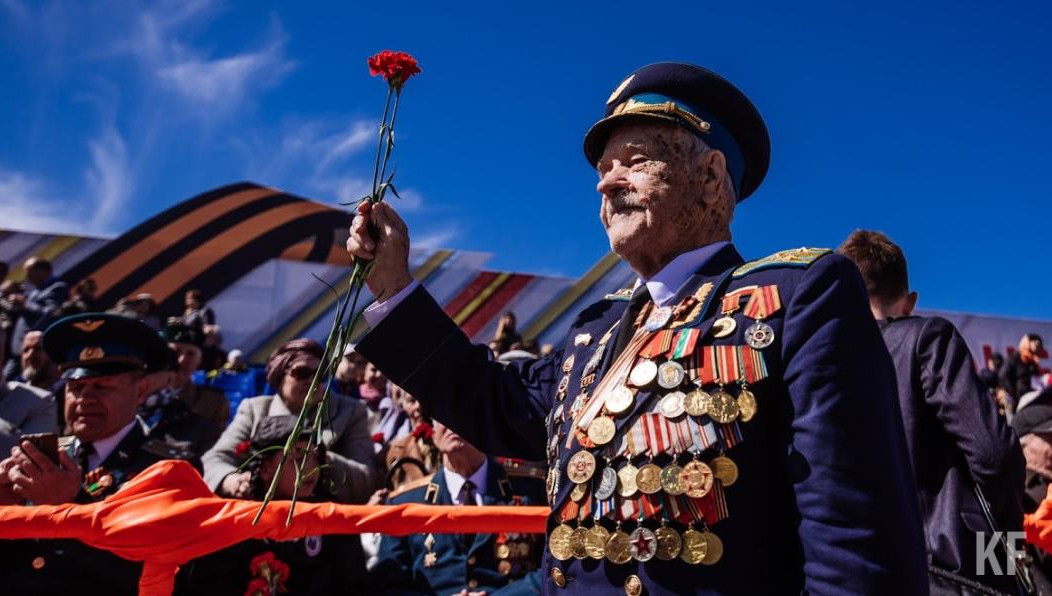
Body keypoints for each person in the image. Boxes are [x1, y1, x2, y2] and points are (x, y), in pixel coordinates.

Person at [347, 62, 927, 593]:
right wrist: (395, 288)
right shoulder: (594, 329)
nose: (605, 183)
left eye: (635, 160)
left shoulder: (797, 295)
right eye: (603, 169)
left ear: (710, 174)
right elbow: (497, 406)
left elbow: (856, 550)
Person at [838, 230, 1025, 593]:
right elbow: (996, 455)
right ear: (910, 301)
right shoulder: (928, 337)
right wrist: (1005, 550)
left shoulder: (818, 362)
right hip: (947, 571)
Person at [0, 312, 185, 593]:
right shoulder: (46, 456)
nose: (85, 398)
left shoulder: (167, 468)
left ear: (140, 391)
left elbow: (156, 572)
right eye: (76, 388)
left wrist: (70, 507)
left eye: (102, 386)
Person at [175, 415, 367, 595]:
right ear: (266, 469)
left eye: (316, 457)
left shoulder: (332, 519)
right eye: (299, 457)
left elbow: (352, 585)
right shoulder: (235, 521)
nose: (311, 468)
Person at [371, 420, 543, 595]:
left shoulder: (531, 490)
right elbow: (390, 583)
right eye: (442, 416)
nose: (451, 422)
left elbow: (552, 569)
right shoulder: (405, 502)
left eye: (460, 412)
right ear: (433, 431)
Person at [202, 338, 378, 503]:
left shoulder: (350, 411)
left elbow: (367, 481)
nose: (312, 380)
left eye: (320, 374)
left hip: (323, 521)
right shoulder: (255, 410)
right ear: (279, 376)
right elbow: (214, 459)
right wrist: (231, 481)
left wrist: (317, 457)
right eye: (302, 373)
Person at [157, 322, 229, 428]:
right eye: (175, 351)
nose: (181, 360)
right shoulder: (139, 392)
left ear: (199, 361)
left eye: (191, 354)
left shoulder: (213, 403)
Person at [0, 327, 57, 454]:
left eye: (38, 349)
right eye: (25, 350)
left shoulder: (41, 401)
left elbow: (32, 460)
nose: (30, 355)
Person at [8, 257, 69, 360]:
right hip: (21, 347)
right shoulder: (34, 292)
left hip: (36, 347)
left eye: (30, 272)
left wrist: (24, 304)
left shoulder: (57, 287)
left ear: (44, 271)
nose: (27, 277)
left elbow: (50, 313)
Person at [1001, 333, 1046, 413]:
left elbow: (1036, 381)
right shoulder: (1014, 358)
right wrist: (1012, 394)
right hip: (1016, 400)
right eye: (1035, 342)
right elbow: (1003, 376)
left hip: (1030, 400)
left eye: (1039, 344)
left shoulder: (1033, 363)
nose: (1037, 345)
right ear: (1027, 342)